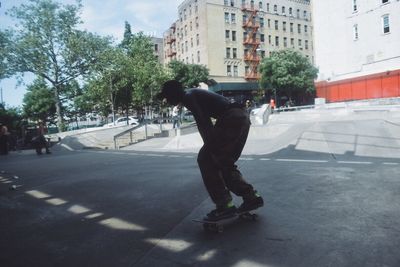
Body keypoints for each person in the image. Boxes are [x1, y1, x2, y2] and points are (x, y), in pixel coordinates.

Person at [158, 80, 263, 221]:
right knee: (224, 162)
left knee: (205, 160)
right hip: (240, 117)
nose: (167, 100)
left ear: (174, 93)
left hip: (231, 118)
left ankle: (225, 205)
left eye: (167, 97)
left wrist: (210, 148)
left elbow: (204, 123)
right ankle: (251, 197)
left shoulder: (188, 97)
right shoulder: (192, 94)